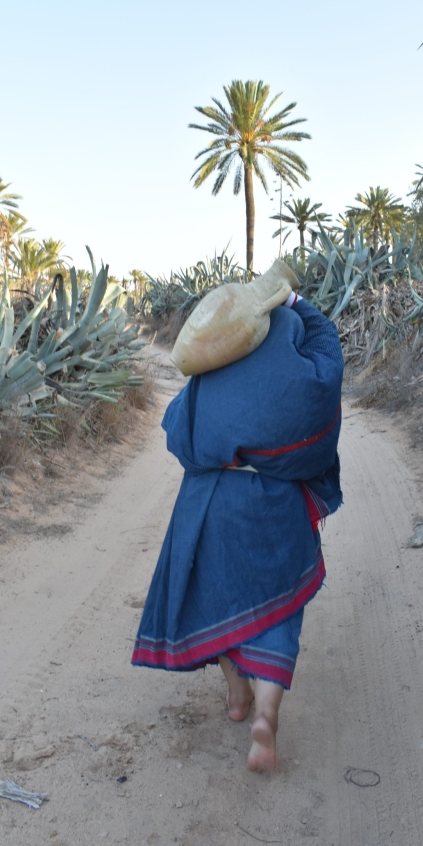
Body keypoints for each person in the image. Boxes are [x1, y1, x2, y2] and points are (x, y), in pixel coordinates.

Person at [132, 290, 343, 771]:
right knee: (278, 614)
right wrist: (296, 302)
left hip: (210, 505)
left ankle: (235, 695)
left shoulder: (214, 364)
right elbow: (328, 356)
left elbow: (180, 433)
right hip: (274, 506)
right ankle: (265, 718)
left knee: (219, 596)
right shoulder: (295, 366)